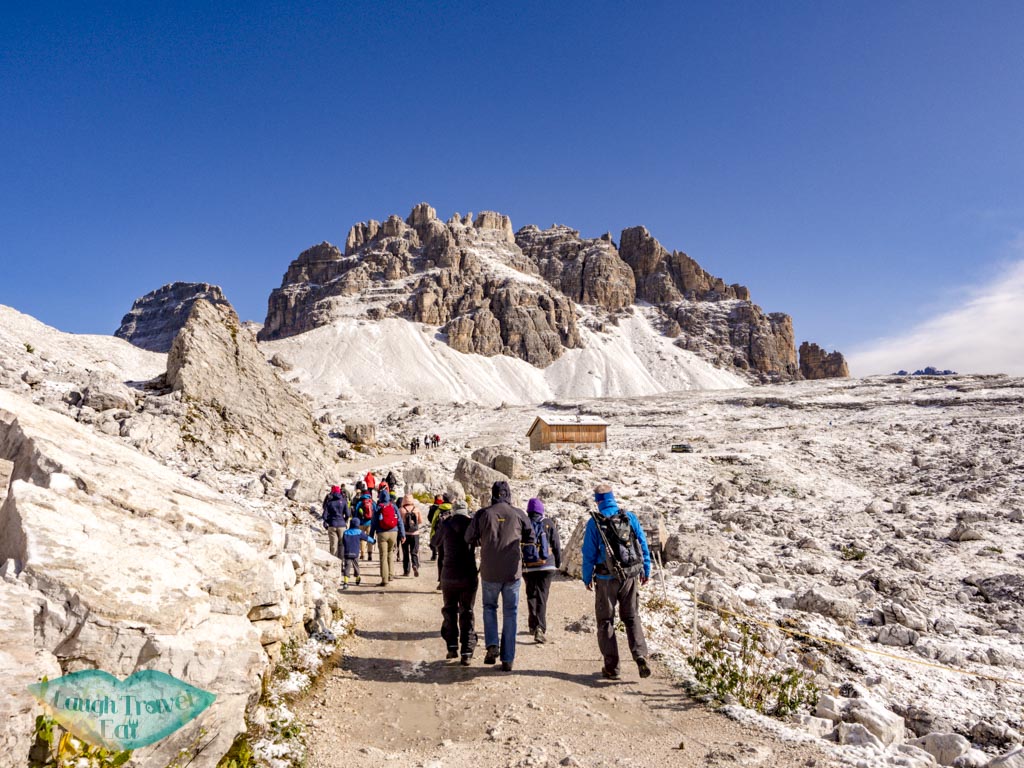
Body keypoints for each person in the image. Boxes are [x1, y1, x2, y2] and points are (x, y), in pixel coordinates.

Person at [581, 484, 652, 681]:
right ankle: (640, 656)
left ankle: (612, 668)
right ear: (613, 497)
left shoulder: (594, 522)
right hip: (629, 577)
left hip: (605, 579)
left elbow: (588, 554)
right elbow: (642, 544)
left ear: (598, 501)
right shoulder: (629, 517)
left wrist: (586, 577)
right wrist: (646, 569)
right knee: (631, 617)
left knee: (606, 621)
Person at [465, 481, 534, 672]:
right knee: (510, 613)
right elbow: (531, 536)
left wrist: (484, 540)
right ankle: (508, 658)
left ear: (493, 494)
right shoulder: (518, 514)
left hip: (489, 571)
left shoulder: (483, 514)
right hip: (512, 572)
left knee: (489, 607)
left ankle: (492, 644)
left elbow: (468, 537)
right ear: (508, 494)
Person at [434, 498, 478, 665]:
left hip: (449, 574)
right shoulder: (471, 524)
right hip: (468, 574)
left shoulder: (446, 524)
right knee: (467, 610)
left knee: (450, 609)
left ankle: (452, 646)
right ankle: (467, 651)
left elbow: (434, 542)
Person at [522, 497, 562, 644]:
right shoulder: (549, 523)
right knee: (542, 596)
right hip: (547, 566)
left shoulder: (523, 523)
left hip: (528, 566)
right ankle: (540, 627)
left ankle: (533, 625)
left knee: (531, 594)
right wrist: (558, 562)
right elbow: (556, 544)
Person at [370, 489, 405, 586]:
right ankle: (390, 575)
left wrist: (371, 536)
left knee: (383, 556)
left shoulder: (378, 507)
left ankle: (384, 580)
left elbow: (374, 523)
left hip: (382, 534)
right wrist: (402, 534)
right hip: (394, 532)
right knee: (390, 553)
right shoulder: (393, 506)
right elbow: (400, 521)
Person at [341, 518, 375, 588]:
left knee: (347, 567)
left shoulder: (345, 532)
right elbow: (366, 538)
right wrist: (373, 541)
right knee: (356, 565)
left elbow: (342, 542)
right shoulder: (359, 532)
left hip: (347, 553)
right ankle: (357, 577)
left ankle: (345, 582)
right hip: (355, 553)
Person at [322, 485, 350, 562]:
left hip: (332, 525)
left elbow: (324, 515)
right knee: (341, 544)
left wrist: (327, 521)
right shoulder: (344, 501)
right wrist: (344, 520)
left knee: (333, 545)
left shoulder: (329, 502)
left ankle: (334, 563)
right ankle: (341, 562)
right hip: (342, 525)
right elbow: (348, 514)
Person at [399, 494, 422, 577]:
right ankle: (415, 565)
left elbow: (399, 522)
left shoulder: (401, 510)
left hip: (404, 534)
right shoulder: (416, 509)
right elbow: (420, 521)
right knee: (414, 551)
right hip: (415, 533)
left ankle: (406, 571)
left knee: (405, 553)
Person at [427, 495, 444, 560]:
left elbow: (429, 517)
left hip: (435, 526)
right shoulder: (443, 507)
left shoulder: (433, 507)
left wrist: (432, 522)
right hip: (443, 526)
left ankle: (434, 555)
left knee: (434, 539)